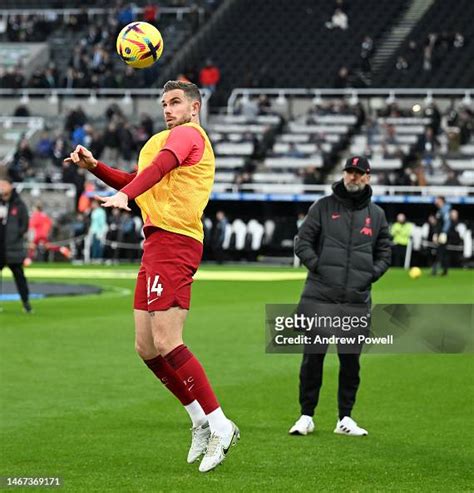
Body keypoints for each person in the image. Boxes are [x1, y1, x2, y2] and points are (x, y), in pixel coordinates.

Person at [64, 81, 239, 473]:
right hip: (155, 242)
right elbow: (138, 183)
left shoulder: (189, 135)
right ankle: (198, 420)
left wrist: (127, 195)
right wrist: (95, 168)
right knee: (146, 347)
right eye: (164, 103)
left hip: (177, 241)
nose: (167, 108)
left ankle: (221, 424)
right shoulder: (162, 141)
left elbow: (156, 171)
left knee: (167, 340)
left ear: (195, 107)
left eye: (175, 102)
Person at [289, 156, 391, 436]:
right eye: (350, 172)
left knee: (350, 363)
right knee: (313, 360)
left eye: (359, 173)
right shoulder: (322, 207)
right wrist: (320, 267)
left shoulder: (377, 215)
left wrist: (370, 275)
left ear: (368, 177)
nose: (354, 177)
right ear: (344, 174)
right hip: (320, 297)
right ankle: (306, 416)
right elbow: (302, 241)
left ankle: (345, 418)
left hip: (355, 301)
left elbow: (385, 252)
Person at [0, 179, 32, 313]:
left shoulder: (19, 205)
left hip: (14, 248)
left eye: (3, 185)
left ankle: (26, 303)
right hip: (0, 248)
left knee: (19, 277)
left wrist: (16, 235)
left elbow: (25, 224)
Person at [432, 196, 451, 276]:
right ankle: (444, 270)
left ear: (441, 201)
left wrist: (444, 233)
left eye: (437, 200)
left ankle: (436, 270)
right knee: (442, 251)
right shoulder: (440, 210)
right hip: (440, 233)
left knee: (441, 251)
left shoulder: (445, 209)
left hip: (443, 234)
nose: (436, 201)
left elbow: (447, 222)